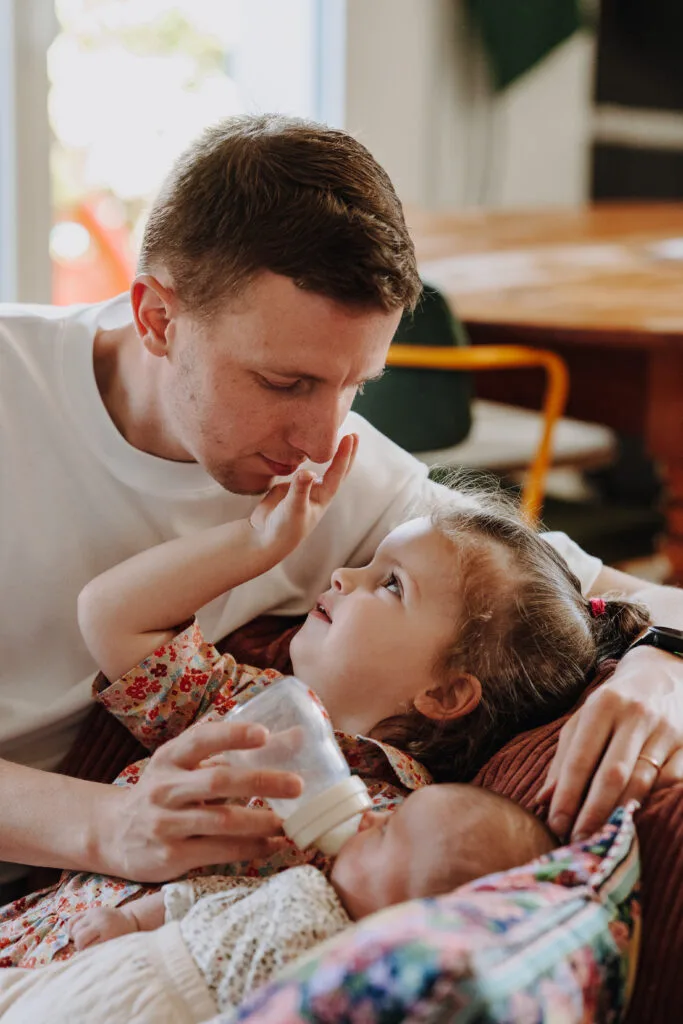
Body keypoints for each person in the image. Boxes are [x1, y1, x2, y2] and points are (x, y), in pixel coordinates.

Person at [1, 115, 683, 899]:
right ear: (158, 318)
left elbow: (627, 593)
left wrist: (661, 661)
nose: (323, 438)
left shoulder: (341, 483)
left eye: (355, 385)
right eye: (286, 384)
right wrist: (108, 826)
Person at [0, 456, 647, 968]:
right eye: (368, 563)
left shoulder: (395, 834)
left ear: (446, 695)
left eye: (390, 584)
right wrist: (254, 545)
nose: (342, 574)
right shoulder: (243, 706)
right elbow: (111, 617)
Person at [0, 786, 555, 1023]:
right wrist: (128, 920)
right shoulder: (305, 881)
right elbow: (205, 899)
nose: (369, 817)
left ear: (414, 919)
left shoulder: (348, 973)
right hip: (127, 962)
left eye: (387, 835)